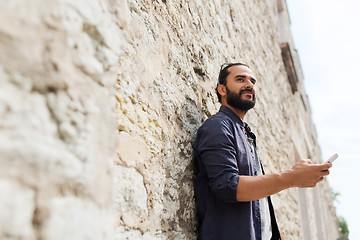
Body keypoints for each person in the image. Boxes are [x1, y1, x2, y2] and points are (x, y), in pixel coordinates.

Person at [193, 63, 332, 240]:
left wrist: (273, 232)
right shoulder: (218, 126)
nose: (249, 84)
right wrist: (292, 177)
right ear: (222, 89)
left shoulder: (247, 134)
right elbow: (227, 187)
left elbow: (256, 199)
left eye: (252, 81)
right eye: (240, 79)